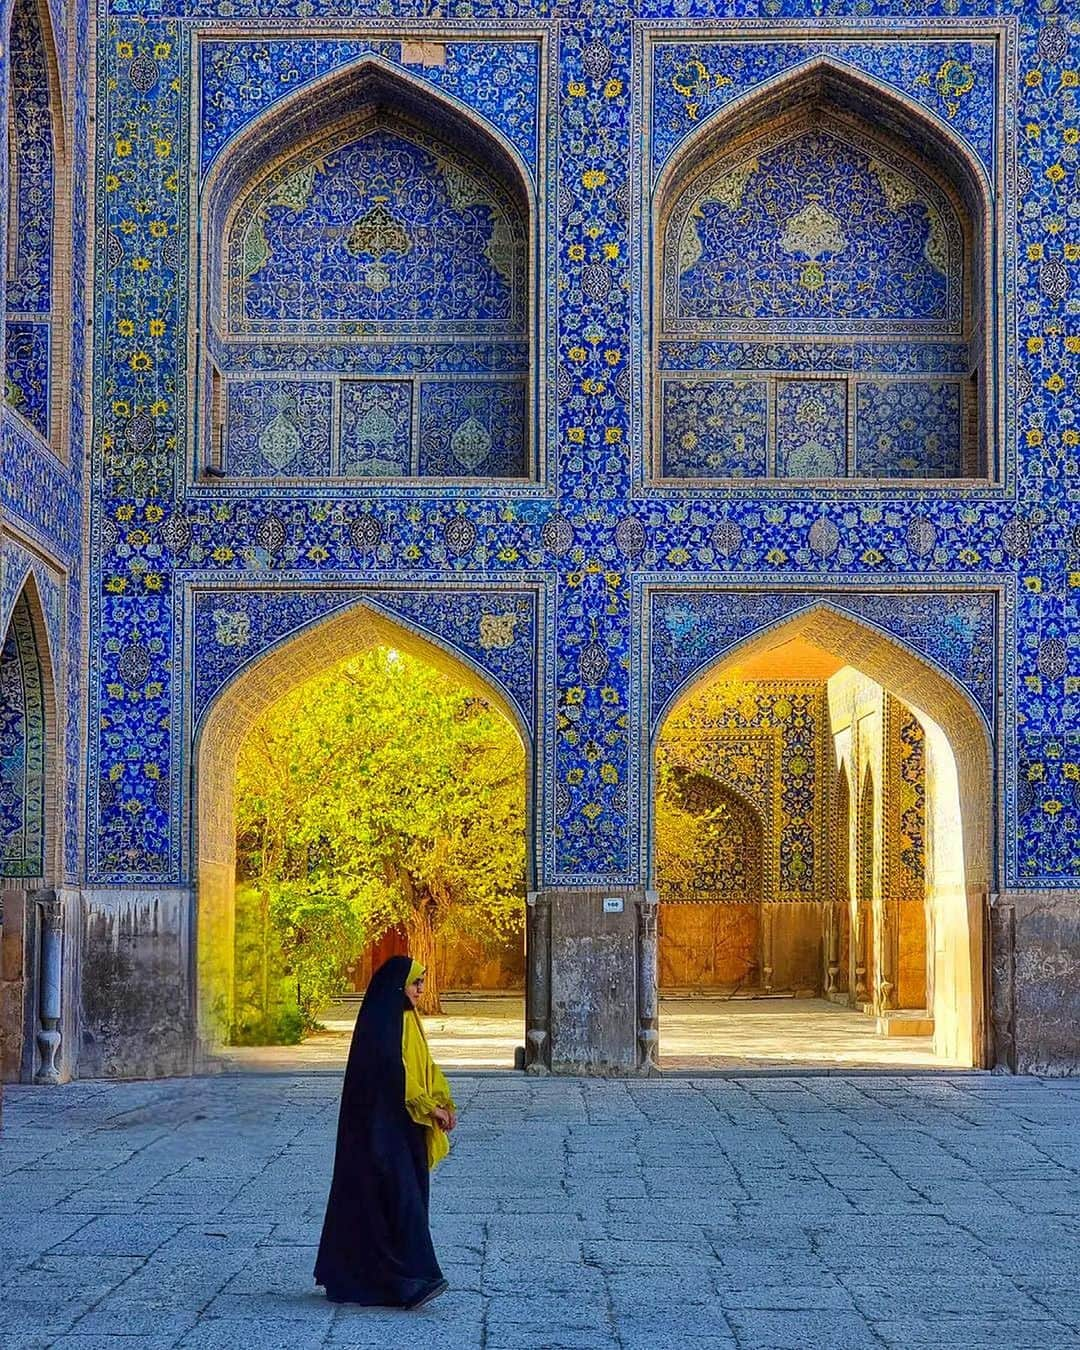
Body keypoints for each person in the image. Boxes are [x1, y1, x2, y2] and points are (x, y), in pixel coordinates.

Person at [314, 954, 458, 1308]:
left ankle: (390, 1278)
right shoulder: (383, 1023)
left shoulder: (407, 1018)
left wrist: (443, 1100)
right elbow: (397, 1075)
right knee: (398, 1199)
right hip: (381, 1128)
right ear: (398, 986)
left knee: (404, 1198)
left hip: (403, 1126)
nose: (422, 989)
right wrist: (429, 1106)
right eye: (416, 982)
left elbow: (423, 1065)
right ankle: (414, 1279)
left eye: (422, 982)